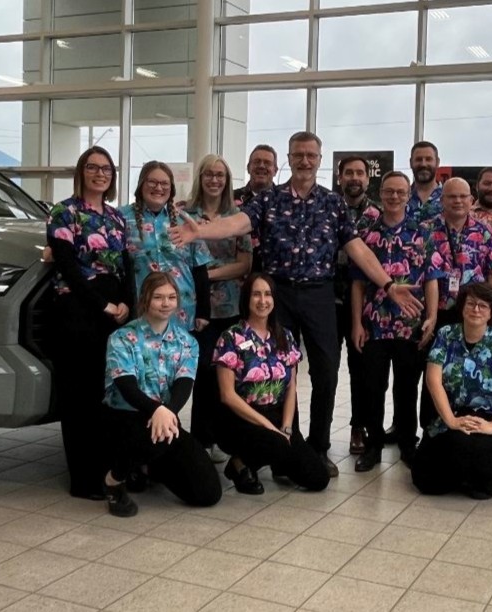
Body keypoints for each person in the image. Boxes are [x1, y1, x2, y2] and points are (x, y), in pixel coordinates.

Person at [170, 131, 422, 477]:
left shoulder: (332, 203)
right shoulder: (269, 199)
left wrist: (389, 285)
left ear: (319, 160)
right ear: (289, 159)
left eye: (311, 155)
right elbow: (237, 223)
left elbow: (358, 249)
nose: (305, 161)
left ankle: (318, 447)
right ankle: (287, 445)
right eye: (298, 155)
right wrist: (200, 232)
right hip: (280, 295)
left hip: (320, 295)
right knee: (278, 371)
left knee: (326, 371)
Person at [46, 145, 132, 500]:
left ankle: (105, 470)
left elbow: (125, 264)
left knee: (104, 393)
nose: (100, 174)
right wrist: (103, 305)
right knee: (78, 397)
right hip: (78, 309)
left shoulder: (116, 217)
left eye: (106, 169)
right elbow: (67, 266)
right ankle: (82, 480)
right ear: (81, 171)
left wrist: (126, 303)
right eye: (93, 167)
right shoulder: (64, 212)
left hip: (112, 311)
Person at [102, 272, 222, 517]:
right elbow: (126, 385)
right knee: (152, 438)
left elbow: (184, 383)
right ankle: (114, 480)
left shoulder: (187, 342)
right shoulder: (122, 338)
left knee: (208, 493)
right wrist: (157, 410)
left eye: (171, 297)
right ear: (145, 299)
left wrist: (167, 412)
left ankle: (148, 466)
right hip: (126, 416)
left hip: (165, 417)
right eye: (158, 297)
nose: (166, 303)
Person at [214, 273, 330, 494]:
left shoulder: (284, 336)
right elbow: (227, 395)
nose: (262, 300)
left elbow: (291, 387)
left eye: (267, 294)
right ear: (246, 299)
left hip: (276, 414)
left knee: (318, 478)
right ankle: (240, 464)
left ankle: (259, 458)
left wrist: (286, 428)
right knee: (276, 443)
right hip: (241, 418)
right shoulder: (231, 338)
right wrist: (270, 429)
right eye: (256, 294)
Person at [412, 283, 492, 499]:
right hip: (455, 413)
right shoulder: (446, 335)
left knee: (463, 446)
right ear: (462, 307)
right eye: (471, 304)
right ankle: (467, 475)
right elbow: (433, 380)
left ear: (491, 312)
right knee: (422, 476)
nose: (476, 309)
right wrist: (451, 421)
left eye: (483, 306)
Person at [351, 171, 431, 472]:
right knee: (373, 386)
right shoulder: (366, 233)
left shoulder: (422, 232)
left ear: (409, 195)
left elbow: (432, 278)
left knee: (407, 387)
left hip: (410, 324)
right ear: (380, 193)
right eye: (389, 191)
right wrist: (357, 323)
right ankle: (373, 444)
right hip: (374, 324)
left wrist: (432, 316)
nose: (394, 196)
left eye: (400, 192)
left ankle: (408, 442)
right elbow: (358, 283)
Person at [420, 177, 492, 432]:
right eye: (451, 196)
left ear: (471, 200)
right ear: (442, 200)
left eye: (462, 196)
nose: (457, 201)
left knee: (468, 371)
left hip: (473, 314)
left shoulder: (486, 232)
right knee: (434, 372)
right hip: (437, 313)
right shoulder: (425, 230)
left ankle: (467, 424)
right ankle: (431, 430)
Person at [182, 154, 252, 464]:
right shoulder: (184, 214)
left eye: (220, 175)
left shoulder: (237, 218)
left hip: (229, 308)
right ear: (200, 178)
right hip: (193, 307)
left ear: (227, 180)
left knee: (226, 375)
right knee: (201, 373)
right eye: (209, 174)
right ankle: (200, 438)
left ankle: (222, 438)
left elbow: (244, 264)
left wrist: (206, 274)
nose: (214, 180)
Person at [120, 161, 211, 334]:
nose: (158, 188)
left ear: (171, 188)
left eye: (164, 183)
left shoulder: (186, 220)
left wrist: (204, 311)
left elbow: (200, 269)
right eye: (152, 182)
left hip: (182, 309)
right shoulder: (121, 218)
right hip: (141, 308)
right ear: (141, 185)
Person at [335, 155, 381, 456]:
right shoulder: (327, 208)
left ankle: (358, 427)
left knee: (361, 370)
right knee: (325, 372)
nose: (354, 178)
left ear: (367, 178)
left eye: (360, 173)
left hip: (364, 304)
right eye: (348, 173)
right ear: (340, 177)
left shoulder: (377, 215)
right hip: (326, 301)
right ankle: (317, 433)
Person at [233, 145, 278, 273]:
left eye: (267, 163)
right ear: (248, 168)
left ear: (275, 170)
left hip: (273, 277)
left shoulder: (285, 201)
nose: (261, 166)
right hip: (236, 274)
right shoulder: (230, 199)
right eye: (257, 162)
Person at [407, 141, 443, 223]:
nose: (423, 164)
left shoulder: (449, 198)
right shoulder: (401, 198)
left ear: (437, 162)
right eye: (418, 159)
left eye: (428, 159)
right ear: (411, 163)